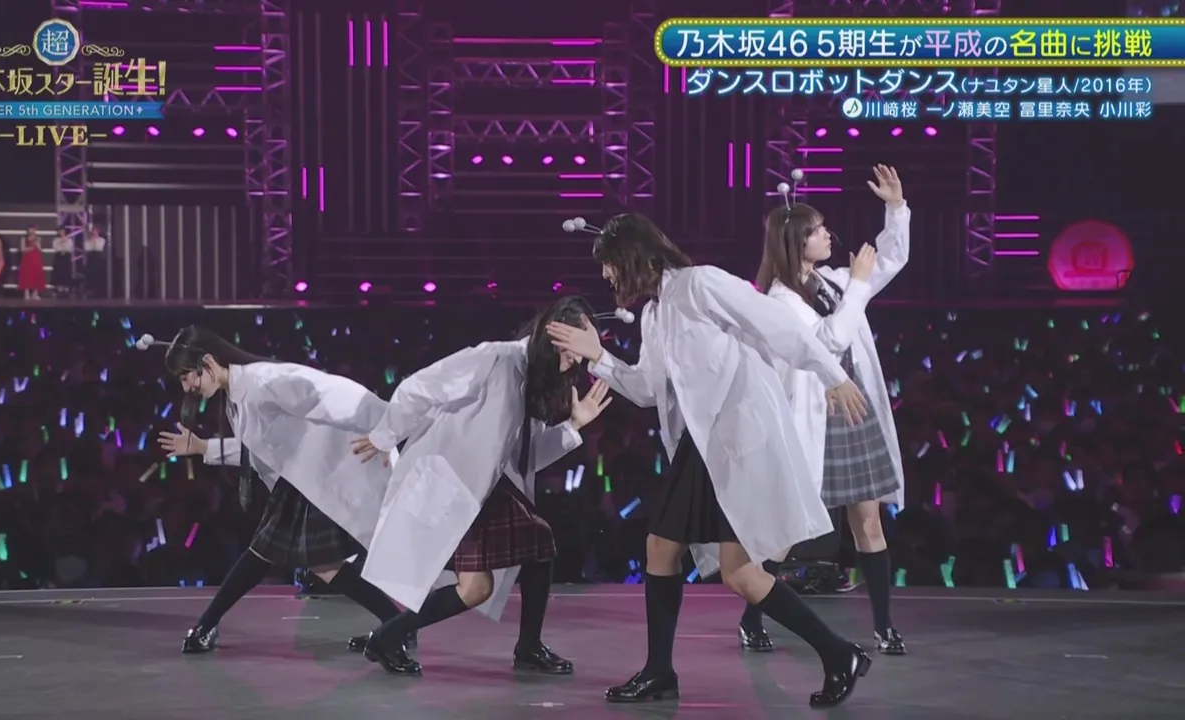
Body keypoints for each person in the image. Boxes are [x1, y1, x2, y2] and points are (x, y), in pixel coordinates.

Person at [546, 215, 871, 708]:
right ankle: (661, 671)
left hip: (735, 436)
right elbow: (647, 389)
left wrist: (832, 375)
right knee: (666, 550)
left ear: (632, 257)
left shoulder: (700, 284)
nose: (607, 275)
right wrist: (598, 356)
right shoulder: (656, 314)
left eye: (609, 264)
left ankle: (837, 652)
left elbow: (778, 325)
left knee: (733, 571)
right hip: (704, 443)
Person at [349, 296, 612, 677]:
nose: (575, 363)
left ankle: (528, 646)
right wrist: (385, 435)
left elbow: (527, 455)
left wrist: (574, 426)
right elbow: (418, 387)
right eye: (572, 352)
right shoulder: (495, 359)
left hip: (483, 485)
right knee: (477, 588)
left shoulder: (532, 379)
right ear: (552, 337)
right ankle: (388, 636)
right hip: (453, 481)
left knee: (537, 543)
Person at [153, 326, 414, 664]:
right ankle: (396, 624)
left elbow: (331, 392)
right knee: (320, 564)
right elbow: (257, 451)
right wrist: (204, 448)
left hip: (320, 474)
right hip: (303, 480)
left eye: (187, 375)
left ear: (208, 362)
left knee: (265, 551)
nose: (187, 386)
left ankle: (206, 625)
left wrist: (387, 427)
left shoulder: (264, 381)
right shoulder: (236, 396)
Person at [738, 165, 911, 657]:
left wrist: (896, 208)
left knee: (869, 523)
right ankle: (751, 618)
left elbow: (889, 259)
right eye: (817, 230)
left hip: (853, 413)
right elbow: (829, 342)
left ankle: (884, 627)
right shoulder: (779, 301)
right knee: (787, 532)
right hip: (813, 420)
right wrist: (857, 286)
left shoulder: (830, 280)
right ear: (796, 242)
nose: (828, 235)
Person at [17, 227, 46, 300]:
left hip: (36, 258)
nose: (32, 231)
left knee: (36, 274)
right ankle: (26, 293)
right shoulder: (24, 238)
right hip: (27, 259)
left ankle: (35, 294)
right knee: (26, 275)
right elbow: (23, 249)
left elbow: (40, 249)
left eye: (33, 230)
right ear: (27, 230)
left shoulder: (37, 238)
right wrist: (32, 247)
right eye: (30, 229)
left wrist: (37, 243)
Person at [83, 225, 107, 298]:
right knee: (91, 274)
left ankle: (99, 291)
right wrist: (91, 240)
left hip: (98, 257)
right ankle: (90, 291)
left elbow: (99, 247)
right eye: (93, 231)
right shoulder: (89, 240)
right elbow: (87, 248)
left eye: (96, 231)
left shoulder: (102, 240)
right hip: (91, 258)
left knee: (98, 274)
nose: (95, 232)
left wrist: (95, 241)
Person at [50, 228, 74, 296]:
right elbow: (55, 247)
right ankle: (59, 287)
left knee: (66, 271)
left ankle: (66, 287)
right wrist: (60, 242)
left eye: (62, 230)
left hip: (66, 256)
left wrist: (65, 243)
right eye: (60, 231)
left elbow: (70, 248)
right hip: (59, 256)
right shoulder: (56, 240)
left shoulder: (69, 239)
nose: (61, 232)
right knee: (59, 270)